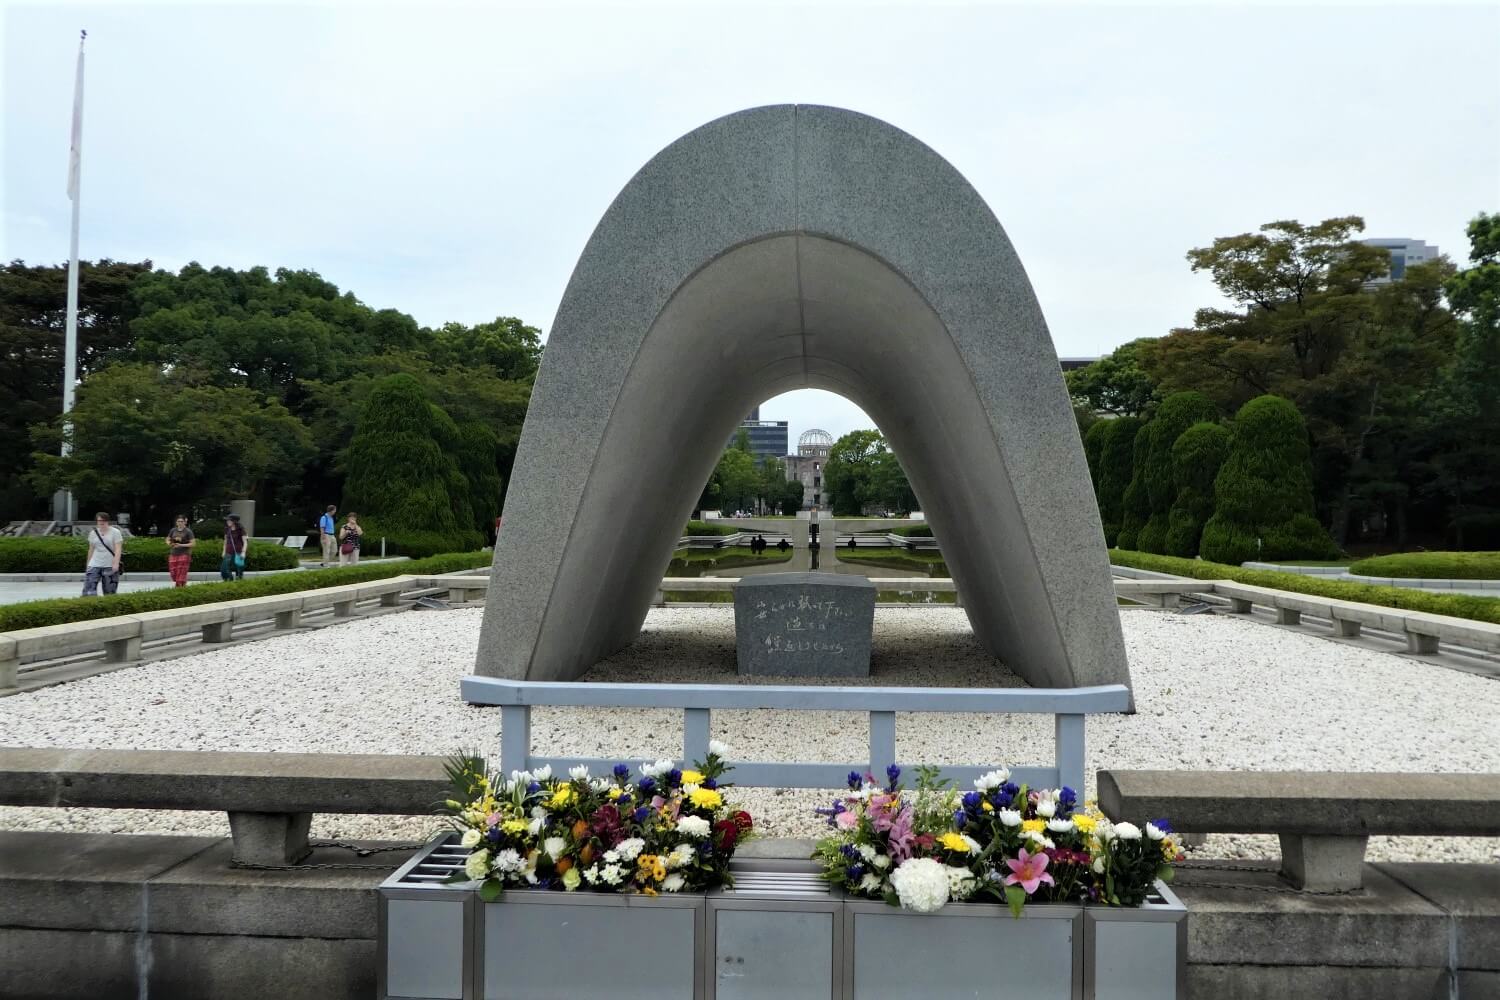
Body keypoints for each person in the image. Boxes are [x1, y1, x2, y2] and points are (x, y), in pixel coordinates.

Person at [83, 511, 123, 597]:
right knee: (88, 591)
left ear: (107, 521)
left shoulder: (115, 532)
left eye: (103, 521)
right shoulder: (93, 533)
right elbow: (91, 549)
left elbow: (118, 549)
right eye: (99, 521)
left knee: (109, 592)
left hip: (109, 565)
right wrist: (88, 565)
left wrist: (116, 563)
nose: (101, 522)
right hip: (94, 564)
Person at [166, 514, 195, 587]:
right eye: (178, 521)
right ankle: (181, 585)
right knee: (173, 572)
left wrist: (181, 545)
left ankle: (179, 587)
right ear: (176, 522)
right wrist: (169, 543)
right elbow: (167, 539)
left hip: (184, 554)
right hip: (173, 554)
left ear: (185, 522)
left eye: (182, 521)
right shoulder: (173, 530)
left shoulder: (188, 531)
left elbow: (193, 544)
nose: (180, 523)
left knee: (181, 572)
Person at [220, 514, 248, 581]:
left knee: (239, 569)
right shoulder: (227, 529)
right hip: (228, 552)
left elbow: (245, 542)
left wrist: (243, 552)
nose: (227, 521)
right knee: (224, 569)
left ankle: (239, 581)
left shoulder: (241, 529)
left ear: (234, 521)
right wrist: (223, 551)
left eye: (229, 520)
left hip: (239, 552)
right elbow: (225, 541)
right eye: (227, 520)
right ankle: (229, 580)